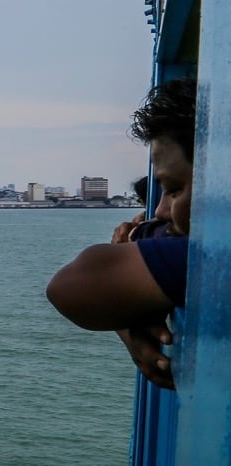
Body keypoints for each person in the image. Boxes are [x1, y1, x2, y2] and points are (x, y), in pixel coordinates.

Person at [45, 78, 196, 389]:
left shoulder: (209, 259)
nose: (161, 211)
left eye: (174, 190)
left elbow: (70, 286)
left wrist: (131, 327)